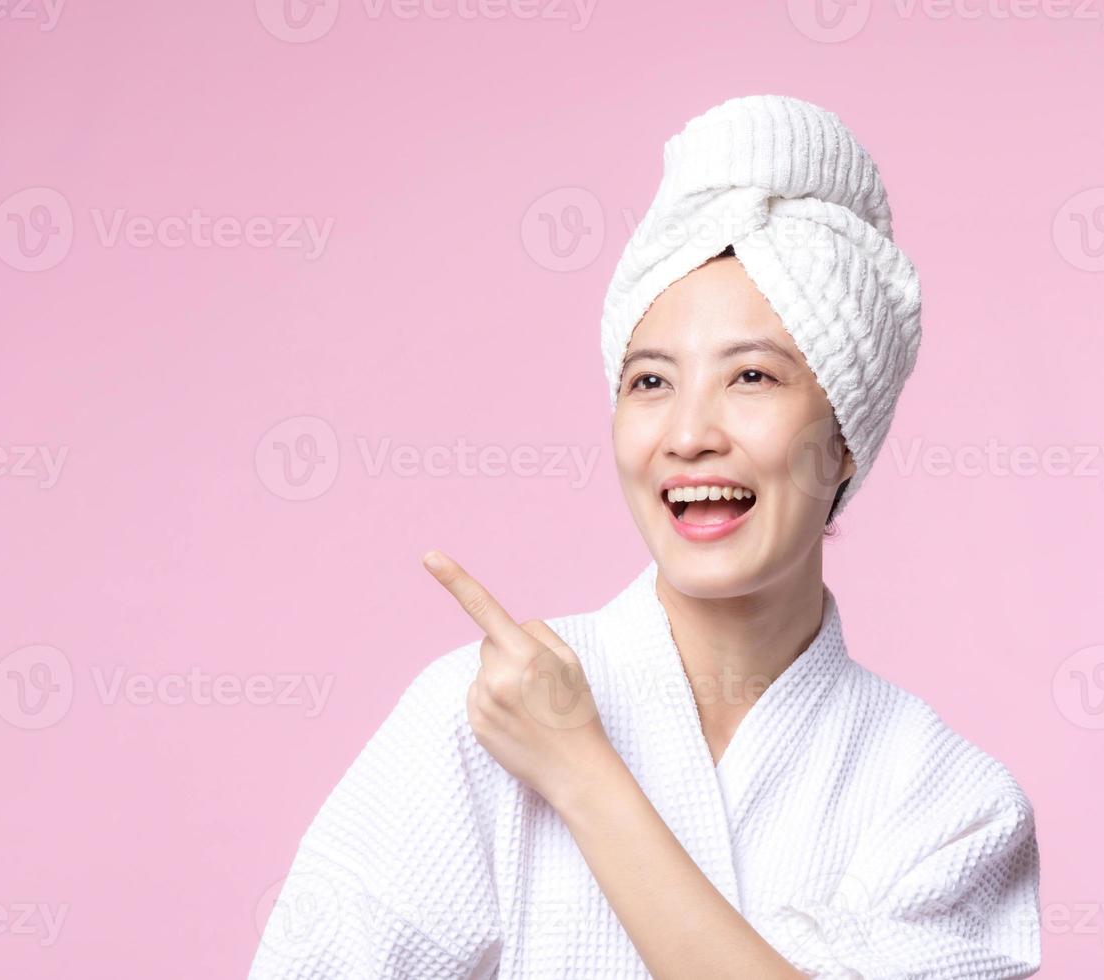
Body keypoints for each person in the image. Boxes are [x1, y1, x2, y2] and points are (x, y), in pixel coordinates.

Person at [248, 94, 1041, 979]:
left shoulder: (951, 803)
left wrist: (581, 772)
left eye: (751, 375)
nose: (688, 432)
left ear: (846, 432)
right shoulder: (477, 716)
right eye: (650, 381)